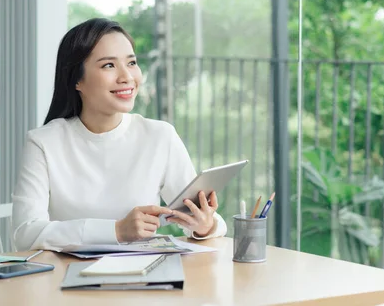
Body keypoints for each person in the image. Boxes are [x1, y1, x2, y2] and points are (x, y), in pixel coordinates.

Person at [12, 17, 227, 251]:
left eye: (132, 63)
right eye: (108, 65)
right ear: (76, 80)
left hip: (143, 277)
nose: (127, 77)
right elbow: (26, 233)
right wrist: (116, 230)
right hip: (64, 280)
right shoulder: (43, 142)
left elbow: (208, 221)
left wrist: (205, 226)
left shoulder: (160, 136)